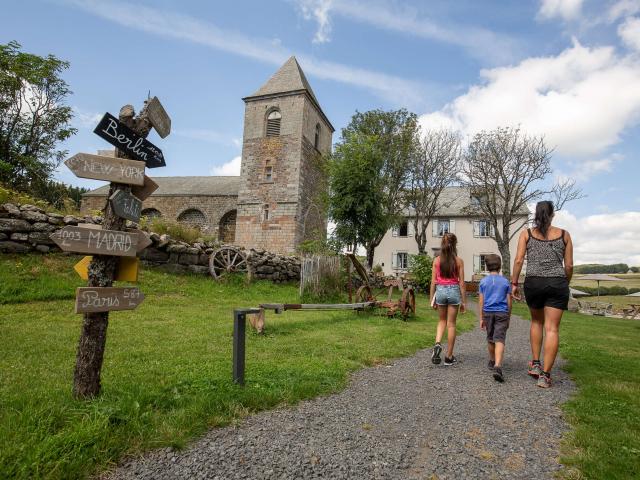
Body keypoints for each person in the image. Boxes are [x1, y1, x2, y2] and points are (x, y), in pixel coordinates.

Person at [511, 201, 574, 388]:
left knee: (536, 322)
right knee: (552, 329)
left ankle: (536, 364)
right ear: (553, 215)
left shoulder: (527, 234)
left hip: (534, 283)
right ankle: (545, 376)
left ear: (536, 215)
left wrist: (514, 283)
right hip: (557, 282)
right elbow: (569, 266)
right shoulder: (564, 235)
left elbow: (518, 260)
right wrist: (565, 282)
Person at [430, 233, 466, 366]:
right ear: (455, 244)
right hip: (453, 291)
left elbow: (433, 282)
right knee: (451, 324)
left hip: (440, 291)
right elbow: (462, 283)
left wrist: (431, 299)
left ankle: (438, 343)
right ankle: (449, 356)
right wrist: (464, 302)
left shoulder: (436, 261)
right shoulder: (459, 261)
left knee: (441, 321)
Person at [478, 254, 511, 383]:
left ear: (486, 266)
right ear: (500, 266)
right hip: (502, 313)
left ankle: (492, 361)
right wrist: (508, 317)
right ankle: (498, 365)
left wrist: (481, 318)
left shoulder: (483, 282)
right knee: (500, 339)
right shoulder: (505, 281)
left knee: (491, 338)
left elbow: (481, 301)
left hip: (488, 313)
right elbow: (509, 302)